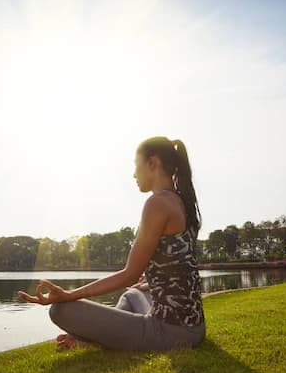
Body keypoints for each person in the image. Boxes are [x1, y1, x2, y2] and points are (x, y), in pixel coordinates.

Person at [17, 136, 205, 351]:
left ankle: (91, 341)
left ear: (152, 163)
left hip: (169, 334)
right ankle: (99, 338)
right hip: (194, 328)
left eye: (137, 164)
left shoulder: (157, 203)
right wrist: (152, 280)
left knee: (60, 310)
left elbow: (129, 274)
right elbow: (178, 266)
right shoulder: (182, 201)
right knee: (132, 294)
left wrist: (69, 295)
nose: (134, 173)